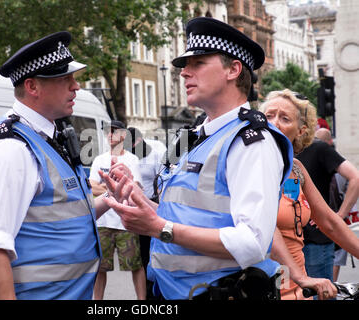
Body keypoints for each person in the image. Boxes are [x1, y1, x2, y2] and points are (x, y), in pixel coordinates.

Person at [101, 17, 294, 300]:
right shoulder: (193, 138)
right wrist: (145, 206)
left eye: (198, 63)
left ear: (233, 70)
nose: (183, 73)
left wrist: (159, 228)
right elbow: (191, 214)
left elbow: (251, 242)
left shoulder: (252, 141)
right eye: (184, 66)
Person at [0, 31, 116, 300]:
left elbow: (59, 219)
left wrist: (110, 198)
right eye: (65, 79)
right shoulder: (11, 150)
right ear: (32, 87)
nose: (76, 86)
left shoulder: (45, 138)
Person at [260, 89, 359, 300]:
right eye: (269, 116)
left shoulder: (296, 169)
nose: (274, 123)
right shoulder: (251, 167)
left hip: (298, 288)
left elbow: (329, 222)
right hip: (268, 286)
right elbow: (266, 227)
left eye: (284, 118)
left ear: (301, 131)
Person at [296, 119, 359, 283]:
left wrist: (340, 215)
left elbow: (355, 178)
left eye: (286, 117)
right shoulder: (276, 153)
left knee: (321, 292)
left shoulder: (318, 148)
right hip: (287, 244)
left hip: (315, 241)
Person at [89, 120, 146, 300]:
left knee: (135, 265)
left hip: (125, 220)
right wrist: (113, 189)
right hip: (103, 221)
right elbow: (91, 186)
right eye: (108, 132)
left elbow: (134, 186)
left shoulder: (132, 159)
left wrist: (106, 187)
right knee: (100, 267)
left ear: (123, 136)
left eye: (114, 132)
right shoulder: (99, 159)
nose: (109, 135)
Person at [124, 126, 164, 299]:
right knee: (140, 255)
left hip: (152, 204)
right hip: (135, 207)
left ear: (138, 141)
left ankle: (155, 289)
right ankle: (145, 294)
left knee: (152, 250)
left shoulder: (155, 153)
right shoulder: (129, 156)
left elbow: (161, 182)